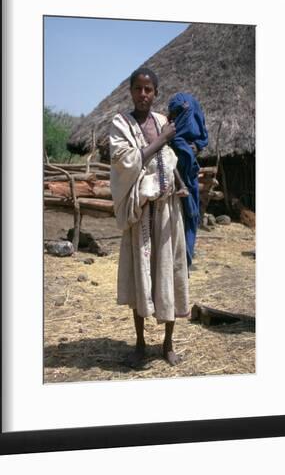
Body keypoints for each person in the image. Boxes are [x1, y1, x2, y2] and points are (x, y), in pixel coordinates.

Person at [109, 68, 190, 367]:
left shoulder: (161, 122)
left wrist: (180, 185)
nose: (143, 95)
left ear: (156, 93)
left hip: (167, 212)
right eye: (138, 89)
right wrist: (162, 139)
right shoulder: (120, 125)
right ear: (130, 91)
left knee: (169, 271)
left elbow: (169, 160)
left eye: (149, 90)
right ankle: (141, 344)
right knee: (140, 274)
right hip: (139, 212)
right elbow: (128, 162)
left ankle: (168, 343)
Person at [167, 92, 209, 267]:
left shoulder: (188, 145)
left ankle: (184, 261)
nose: (181, 118)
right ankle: (176, 262)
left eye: (184, 114)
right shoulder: (168, 137)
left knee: (188, 220)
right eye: (177, 114)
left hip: (187, 187)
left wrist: (196, 148)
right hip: (170, 190)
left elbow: (201, 138)